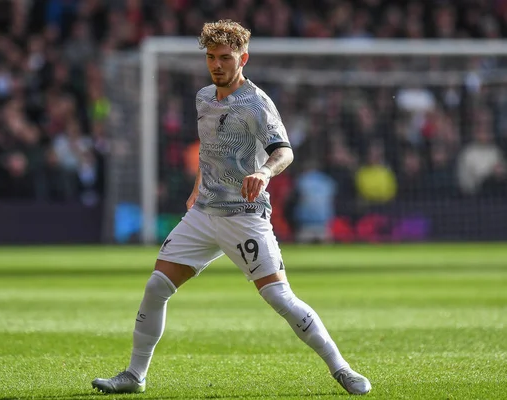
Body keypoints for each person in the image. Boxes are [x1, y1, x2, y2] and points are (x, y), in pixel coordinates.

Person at [92, 20, 371, 396]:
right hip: (205, 214)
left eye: (225, 57)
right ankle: (135, 375)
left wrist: (264, 173)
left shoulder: (257, 103)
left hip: (244, 215)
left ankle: (342, 369)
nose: (217, 65)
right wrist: (195, 190)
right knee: (157, 286)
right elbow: (210, 152)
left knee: (278, 297)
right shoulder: (204, 97)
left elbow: (284, 151)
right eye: (211, 57)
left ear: (244, 58)